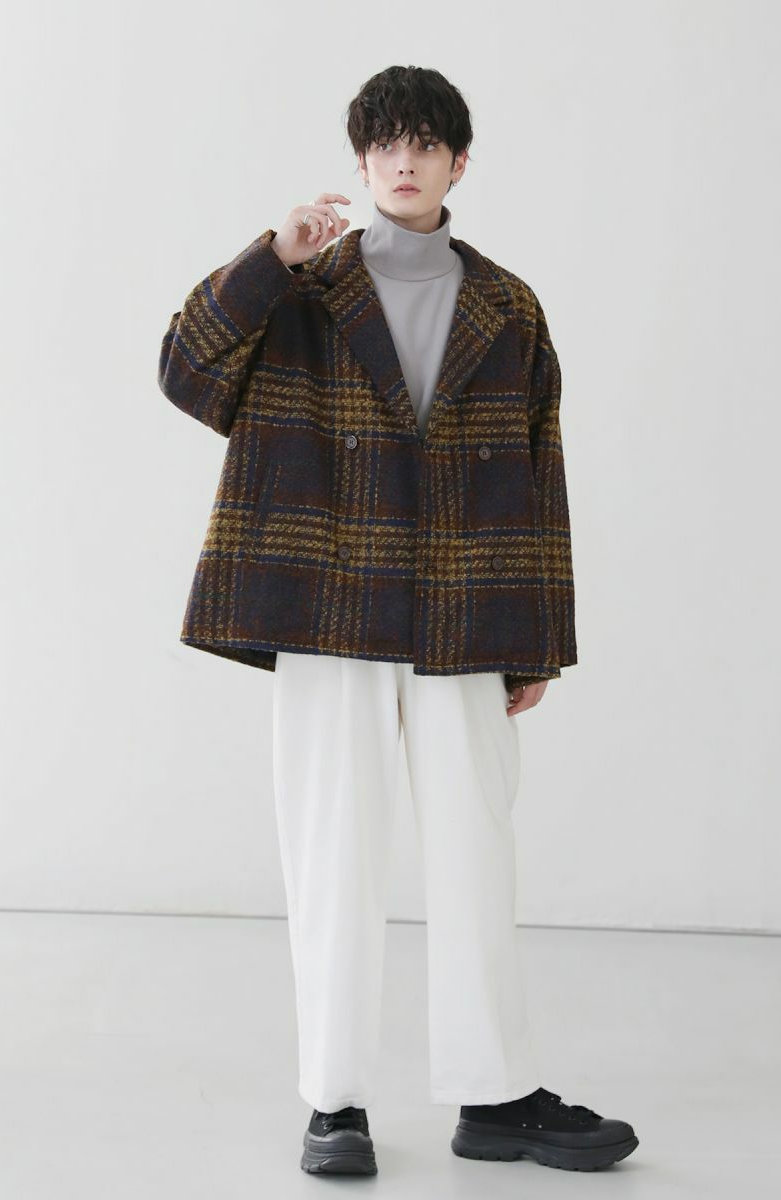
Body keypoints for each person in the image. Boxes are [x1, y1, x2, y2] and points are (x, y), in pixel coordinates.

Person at [158, 64, 638, 1176]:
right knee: (333, 853)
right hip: (328, 599)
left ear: (459, 163)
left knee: (477, 852)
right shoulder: (301, 285)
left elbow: (539, 474)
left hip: (467, 608)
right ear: (362, 160)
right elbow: (184, 371)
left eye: (425, 144)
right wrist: (269, 257)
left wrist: (538, 640)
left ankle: (495, 1097)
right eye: (385, 144)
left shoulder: (508, 303)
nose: (404, 162)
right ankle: (335, 1105)